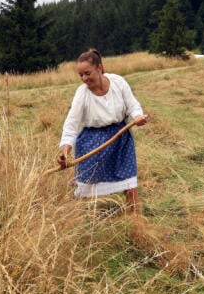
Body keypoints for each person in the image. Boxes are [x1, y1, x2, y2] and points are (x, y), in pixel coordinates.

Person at [56, 49, 148, 214]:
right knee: (87, 186)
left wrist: (138, 117)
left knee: (129, 182)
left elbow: (132, 105)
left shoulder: (118, 83)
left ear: (100, 68)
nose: (84, 79)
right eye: (80, 75)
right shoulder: (82, 94)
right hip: (92, 142)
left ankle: (136, 221)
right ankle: (81, 220)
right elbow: (71, 124)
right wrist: (65, 151)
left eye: (87, 73)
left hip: (120, 138)